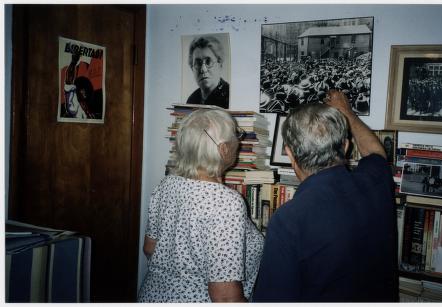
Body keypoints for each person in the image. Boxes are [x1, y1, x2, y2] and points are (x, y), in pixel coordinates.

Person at [252, 90, 398, 302]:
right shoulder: (376, 181)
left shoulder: (289, 219)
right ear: (346, 147)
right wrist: (347, 112)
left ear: (289, 154)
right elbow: (376, 152)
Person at [138, 109, 264, 302]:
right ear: (223, 149)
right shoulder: (226, 202)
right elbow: (225, 298)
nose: (238, 142)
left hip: (152, 296)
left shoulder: (165, 185)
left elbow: (149, 247)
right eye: (236, 136)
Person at [186, 36, 229, 108]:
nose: (203, 69)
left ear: (220, 64)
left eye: (208, 61)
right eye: (198, 63)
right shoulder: (192, 100)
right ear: (192, 68)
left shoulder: (229, 95)